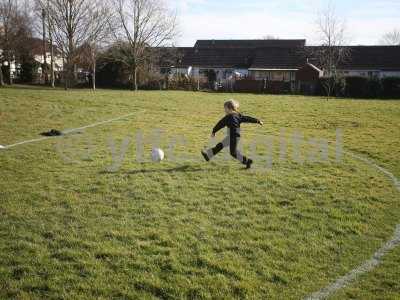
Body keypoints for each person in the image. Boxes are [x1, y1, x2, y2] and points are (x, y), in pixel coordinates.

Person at [201, 99, 263, 169]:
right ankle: (208, 155)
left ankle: (247, 161)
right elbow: (247, 118)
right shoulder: (238, 115)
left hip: (233, 136)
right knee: (221, 145)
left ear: (229, 108)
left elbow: (220, 124)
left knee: (233, 152)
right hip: (234, 136)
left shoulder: (228, 117)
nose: (224, 110)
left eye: (225, 109)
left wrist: (214, 131)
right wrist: (257, 121)